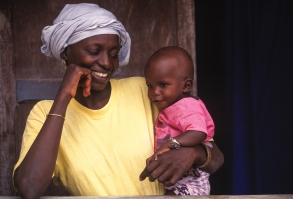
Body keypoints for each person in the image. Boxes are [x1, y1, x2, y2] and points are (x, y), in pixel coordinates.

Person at [13, 3, 224, 198]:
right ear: (66, 53)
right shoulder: (45, 114)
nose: (106, 63)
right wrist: (62, 98)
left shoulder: (147, 91)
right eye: (94, 51)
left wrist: (193, 153)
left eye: (113, 53)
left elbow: (216, 158)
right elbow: (29, 188)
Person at [143, 46, 214, 195]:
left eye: (163, 85)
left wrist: (171, 143)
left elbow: (198, 131)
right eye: (150, 86)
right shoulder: (173, 107)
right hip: (179, 175)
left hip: (191, 179)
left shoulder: (187, 106)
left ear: (186, 86)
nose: (154, 92)